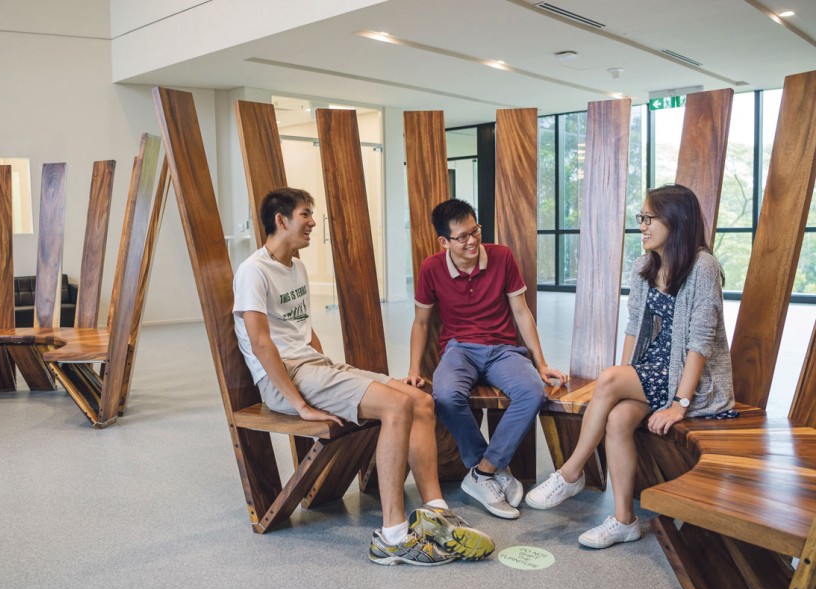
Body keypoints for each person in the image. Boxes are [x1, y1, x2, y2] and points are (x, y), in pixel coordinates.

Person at [232, 187, 494, 566]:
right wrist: (300, 405)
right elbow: (261, 344)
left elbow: (303, 332)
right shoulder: (253, 272)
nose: (312, 222)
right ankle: (392, 535)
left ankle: (436, 512)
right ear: (281, 220)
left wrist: (331, 369)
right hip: (285, 380)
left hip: (313, 367)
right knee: (397, 406)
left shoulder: (296, 267)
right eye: (305, 214)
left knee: (419, 398)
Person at [525, 184, 737, 548]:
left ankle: (571, 472)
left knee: (609, 381)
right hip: (653, 371)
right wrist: (624, 381)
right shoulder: (645, 266)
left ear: (677, 221)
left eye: (649, 218)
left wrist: (679, 404)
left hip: (690, 382)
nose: (642, 225)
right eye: (642, 217)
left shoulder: (703, 266)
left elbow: (699, 343)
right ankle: (624, 520)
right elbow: (633, 326)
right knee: (618, 417)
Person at [406, 199, 567, 519]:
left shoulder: (502, 257)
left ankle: (482, 473)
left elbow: (521, 312)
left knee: (533, 392)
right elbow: (421, 322)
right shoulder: (431, 268)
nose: (472, 241)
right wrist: (412, 369)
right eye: (462, 236)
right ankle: (492, 469)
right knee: (446, 396)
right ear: (444, 241)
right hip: (459, 349)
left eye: (475, 231)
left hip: (503, 350)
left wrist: (542, 362)